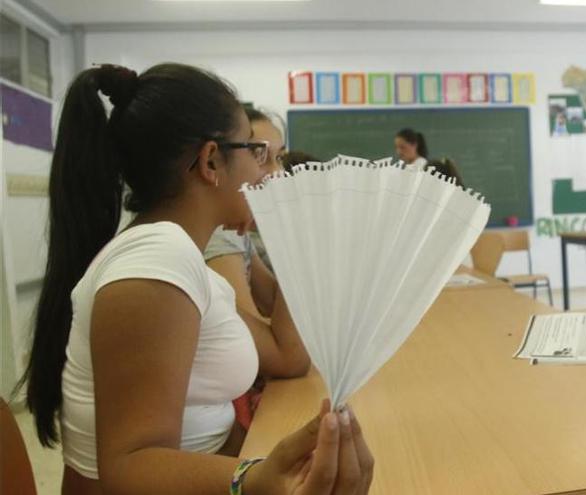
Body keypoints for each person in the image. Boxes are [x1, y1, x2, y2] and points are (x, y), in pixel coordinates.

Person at [16, 63, 372, 494]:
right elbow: (130, 468)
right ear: (210, 161)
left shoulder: (183, 257)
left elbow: (287, 360)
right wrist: (252, 478)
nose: (268, 172)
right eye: (257, 152)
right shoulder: (157, 261)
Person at [204, 107, 311, 384]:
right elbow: (273, 352)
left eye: (280, 158)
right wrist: (298, 241)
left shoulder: (234, 232)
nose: (277, 174)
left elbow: (274, 300)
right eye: (259, 156)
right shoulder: (217, 235)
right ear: (214, 161)